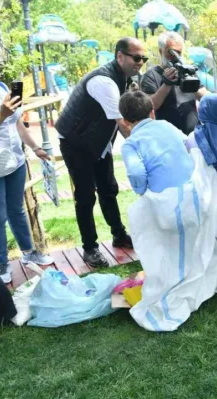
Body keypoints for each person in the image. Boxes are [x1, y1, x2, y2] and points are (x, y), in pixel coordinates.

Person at [54, 37, 143, 267]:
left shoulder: (123, 77)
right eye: (136, 57)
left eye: (144, 58)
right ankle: (90, 248)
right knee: (85, 196)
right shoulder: (104, 81)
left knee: (109, 188)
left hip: (98, 141)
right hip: (76, 142)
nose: (140, 62)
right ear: (120, 56)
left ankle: (119, 235)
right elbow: (123, 124)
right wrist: (146, 149)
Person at [0, 79, 53, 284]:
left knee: (16, 209)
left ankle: (29, 252)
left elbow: (17, 121)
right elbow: (5, 117)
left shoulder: (0, 86)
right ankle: (1, 263)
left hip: (15, 161)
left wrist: (36, 148)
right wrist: (1, 114)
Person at [119, 91, 194, 195]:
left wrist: (141, 190)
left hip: (160, 199)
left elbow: (136, 173)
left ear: (125, 121)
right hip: (190, 190)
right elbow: (189, 144)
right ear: (152, 113)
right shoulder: (167, 125)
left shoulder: (130, 144)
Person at [141, 32, 209, 135]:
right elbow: (150, 106)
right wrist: (166, 84)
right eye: (171, 52)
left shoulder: (187, 70)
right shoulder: (151, 75)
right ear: (161, 52)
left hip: (192, 135)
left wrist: (192, 84)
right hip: (166, 137)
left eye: (179, 52)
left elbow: (206, 98)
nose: (175, 56)